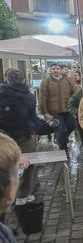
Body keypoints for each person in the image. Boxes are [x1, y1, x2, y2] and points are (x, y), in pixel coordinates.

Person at [0, 69, 49, 204]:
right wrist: (45, 127)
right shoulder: (28, 95)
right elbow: (32, 118)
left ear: (6, 78)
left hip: (4, 137)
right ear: (23, 79)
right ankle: (23, 195)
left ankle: (6, 195)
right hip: (25, 136)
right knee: (27, 165)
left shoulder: (1, 92)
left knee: (6, 165)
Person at [39, 62, 76, 151]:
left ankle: (61, 137)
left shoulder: (67, 80)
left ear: (60, 70)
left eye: (57, 68)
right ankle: (63, 149)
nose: (55, 70)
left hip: (67, 109)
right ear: (50, 70)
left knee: (72, 125)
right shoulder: (46, 81)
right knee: (61, 128)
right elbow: (42, 98)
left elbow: (74, 93)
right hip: (54, 111)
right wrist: (45, 112)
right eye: (53, 69)